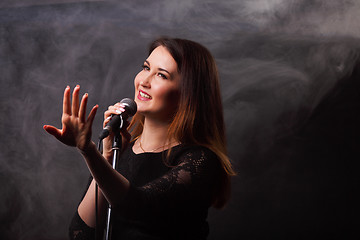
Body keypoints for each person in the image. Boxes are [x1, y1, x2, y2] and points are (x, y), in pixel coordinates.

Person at [44, 37, 236, 240]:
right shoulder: (120, 151)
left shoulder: (200, 161)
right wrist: (106, 156)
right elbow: (80, 234)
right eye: (146, 68)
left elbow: (139, 206)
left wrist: (89, 151)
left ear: (188, 93)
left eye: (161, 75)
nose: (144, 81)